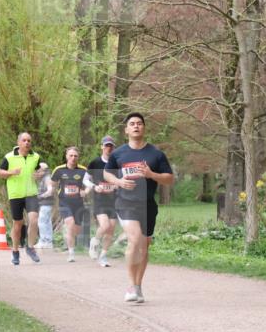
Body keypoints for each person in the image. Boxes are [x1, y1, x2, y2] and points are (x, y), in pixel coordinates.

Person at [104, 113, 174, 303]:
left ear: (144, 128)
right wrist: (118, 181)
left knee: (144, 246)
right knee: (134, 239)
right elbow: (107, 173)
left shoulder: (156, 154)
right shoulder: (118, 154)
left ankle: (138, 286)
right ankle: (130, 286)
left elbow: (169, 178)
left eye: (139, 124)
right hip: (125, 203)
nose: (136, 126)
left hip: (148, 204)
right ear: (126, 129)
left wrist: (152, 174)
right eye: (132, 124)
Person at [0, 132, 42, 265]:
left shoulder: (35, 157)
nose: (27, 142)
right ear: (18, 143)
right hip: (15, 195)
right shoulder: (9, 157)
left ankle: (30, 247)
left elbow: (41, 170)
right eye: (24, 140)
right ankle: (15, 252)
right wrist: (11, 172)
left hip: (31, 193)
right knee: (18, 224)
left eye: (29, 140)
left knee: (34, 219)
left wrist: (39, 173)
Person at [51, 147, 91, 263]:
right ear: (66, 156)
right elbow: (52, 184)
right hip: (64, 202)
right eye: (71, 155)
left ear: (78, 157)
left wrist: (86, 191)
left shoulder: (83, 170)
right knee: (70, 224)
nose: (73, 158)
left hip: (78, 203)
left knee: (77, 230)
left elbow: (89, 185)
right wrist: (49, 191)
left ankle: (68, 235)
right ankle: (71, 253)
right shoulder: (59, 170)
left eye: (75, 156)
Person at [87, 136, 119, 267]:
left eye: (111, 146)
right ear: (102, 147)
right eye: (106, 145)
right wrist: (95, 186)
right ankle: (94, 242)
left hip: (113, 201)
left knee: (111, 230)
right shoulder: (95, 163)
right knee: (105, 226)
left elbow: (121, 179)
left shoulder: (117, 164)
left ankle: (103, 256)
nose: (109, 148)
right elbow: (85, 180)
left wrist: (117, 185)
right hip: (99, 200)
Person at [36, 162, 55, 248]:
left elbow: (50, 191)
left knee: (42, 222)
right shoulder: (46, 178)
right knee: (47, 222)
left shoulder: (47, 178)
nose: (37, 172)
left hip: (46, 203)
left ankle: (44, 241)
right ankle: (48, 242)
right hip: (46, 204)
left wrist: (40, 196)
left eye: (38, 170)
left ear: (43, 170)